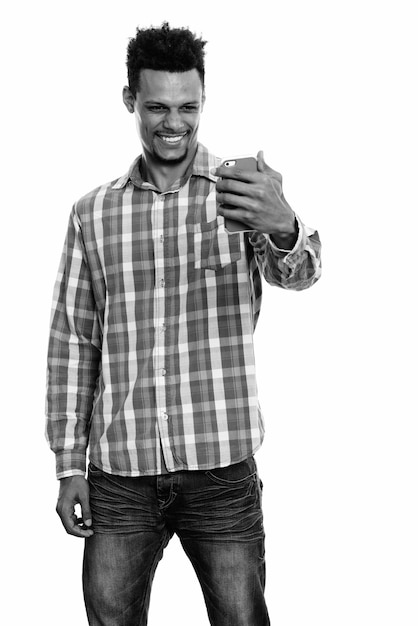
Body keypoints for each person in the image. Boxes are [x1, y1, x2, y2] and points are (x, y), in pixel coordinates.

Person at [45, 22, 322, 626]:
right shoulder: (93, 213)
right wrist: (69, 466)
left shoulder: (240, 191)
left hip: (221, 466)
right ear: (130, 102)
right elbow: (73, 340)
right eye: (158, 107)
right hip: (120, 475)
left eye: (188, 106)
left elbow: (300, 275)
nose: (175, 122)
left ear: (203, 100)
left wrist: (284, 227)